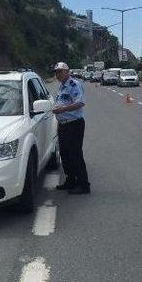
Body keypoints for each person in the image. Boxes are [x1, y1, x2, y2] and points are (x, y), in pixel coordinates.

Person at [52, 62, 91, 195]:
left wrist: (63, 109)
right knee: (65, 154)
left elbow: (80, 102)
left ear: (67, 72)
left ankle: (84, 184)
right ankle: (71, 180)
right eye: (56, 72)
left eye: (60, 72)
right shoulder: (62, 86)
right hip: (63, 125)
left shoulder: (74, 84)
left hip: (74, 124)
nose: (57, 74)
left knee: (75, 154)